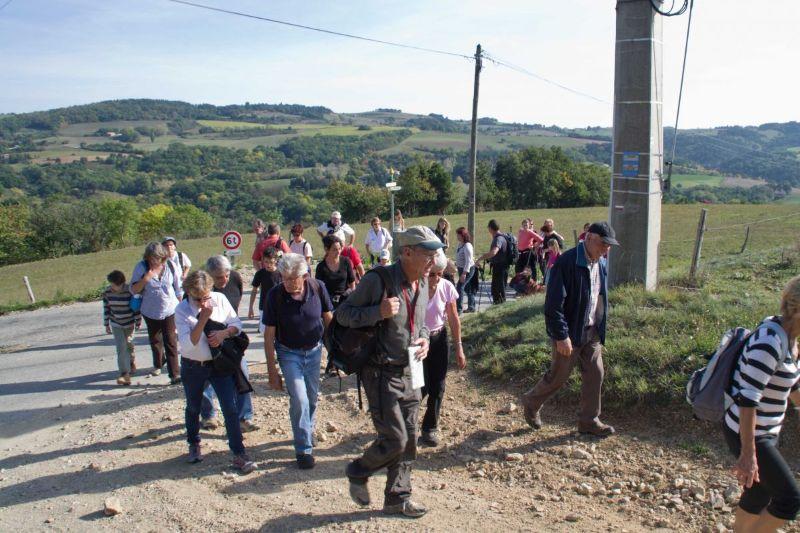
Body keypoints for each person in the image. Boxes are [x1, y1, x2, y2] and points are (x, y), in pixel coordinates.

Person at [338, 225, 439, 518]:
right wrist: (376, 312)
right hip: (381, 373)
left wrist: (424, 339)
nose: (433, 260)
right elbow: (344, 315)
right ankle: (358, 470)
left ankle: (398, 497)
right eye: (427, 254)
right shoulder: (377, 280)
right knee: (395, 438)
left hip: (412, 369)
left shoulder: (422, 282)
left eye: (435, 254)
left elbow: (421, 324)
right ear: (406, 252)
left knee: (409, 438)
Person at [520, 222, 619, 436]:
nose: (606, 249)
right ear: (590, 238)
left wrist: (600, 326)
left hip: (591, 331)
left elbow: (599, 297)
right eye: (604, 244)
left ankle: (589, 421)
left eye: (609, 246)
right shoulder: (566, 262)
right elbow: (553, 304)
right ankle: (531, 402)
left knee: (596, 373)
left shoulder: (601, 264)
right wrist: (561, 335)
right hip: (569, 333)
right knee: (558, 376)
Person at [725, 277, 800, 533]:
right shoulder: (770, 341)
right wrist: (748, 454)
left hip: (765, 430)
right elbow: (748, 399)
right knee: (789, 500)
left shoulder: (791, 339)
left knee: (759, 493)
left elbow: (793, 387)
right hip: (748, 431)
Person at [174, 270, 256, 473]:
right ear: (189, 293)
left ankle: (239, 453)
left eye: (206, 296)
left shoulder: (219, 299)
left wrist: (224, 333)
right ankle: (194, 443)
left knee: (230, 407)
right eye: (198, 298)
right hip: (194, 365)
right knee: (193, 407)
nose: (203, 302)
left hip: (220, 365)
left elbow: (236, 323)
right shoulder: (182, 310)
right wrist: (203, 318)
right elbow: (188, 344)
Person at [263, 253, 334, 470]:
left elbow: (328, 319)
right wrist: (272, 371)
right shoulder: (275, 295)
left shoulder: (318, 287)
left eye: (294, 278)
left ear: (304, 275)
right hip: (288, 353)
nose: (289, 283)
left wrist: (336, 354)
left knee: (312, 398)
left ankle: (307, 429)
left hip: (314, 351)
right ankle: (303, 449)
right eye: (285, 278)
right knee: (300, 399)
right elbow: (268, 335)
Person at [201, 255, 258, 433]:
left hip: (230, 337)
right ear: (209, 276)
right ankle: (209, 415)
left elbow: (235, 301)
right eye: (218, 277)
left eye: (226, 274)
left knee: (242, 373)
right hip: (205, 339)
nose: (224, 279)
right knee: (206, 379)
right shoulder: (200, 288)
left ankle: (244, 417)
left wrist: (227, 330)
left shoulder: (235, 278)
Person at [419, 249, 466, 447]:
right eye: (432, 274)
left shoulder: (446, 287)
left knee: (438, 386)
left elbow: (454, 318)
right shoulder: (415, 288)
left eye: (440, 274)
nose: (436, 278)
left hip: (438, 338)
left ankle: (430, 427)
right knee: (420, 387)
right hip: (417, 342)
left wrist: (459, 347)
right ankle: (401, 422)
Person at [131, 242, 183, 384]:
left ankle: (175, 374)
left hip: (170, 308)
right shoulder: (141, 267)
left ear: (163, 257)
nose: (154, 261)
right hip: (150, 310)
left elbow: (178, 288)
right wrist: (146, 278)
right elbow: (134, 289)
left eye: (158, 258)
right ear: (147, 257)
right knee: (155, 340)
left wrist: (182, 306)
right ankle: (159, 363)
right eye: (151, 258)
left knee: (171, 340)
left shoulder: (171, 266)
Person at [103, 270, 141, 386]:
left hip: (129, 323)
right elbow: (106, 308)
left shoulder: (129, 291)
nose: (112, 286)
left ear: (121, 284)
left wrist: (138, 321)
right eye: (111, 284)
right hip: (116, 324)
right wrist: (106, 323)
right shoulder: (107, 293)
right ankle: (124, 374)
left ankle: (131, 361)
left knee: (129, 345)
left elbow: (135, 307)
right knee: (121, 347)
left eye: (114, 284)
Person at [315, 234, 355, 308]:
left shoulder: (346, 261)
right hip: (328, 302)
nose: (338, 252)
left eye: (339, 248)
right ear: (326, 249)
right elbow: (318, 289)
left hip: (346, 301)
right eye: (334, 249)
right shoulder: (321, 267)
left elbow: (352, 284)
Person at [476, 219, 509, 305]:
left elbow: (494, 252)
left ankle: (500, 306)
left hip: (500, 267)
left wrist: (481, 257)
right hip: (501, 266)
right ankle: (498, 305)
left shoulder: (498, 239)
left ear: (490, 228)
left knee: (499, 288)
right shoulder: (501, 237)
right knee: (497, 288)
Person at [248, 247, 282, 331]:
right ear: (262, 260)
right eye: (266, 262)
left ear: (276, 260)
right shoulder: (260, 274)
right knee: (265, 332)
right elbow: (254, 291)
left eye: (271, 262)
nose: (268, 264)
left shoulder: (281, 273)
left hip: (279, 306)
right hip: (264, 307)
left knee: (279, 332)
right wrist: (250, 308)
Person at [454, 227, 477, 313]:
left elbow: (468, 261)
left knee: (459, 288)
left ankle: (458, 309)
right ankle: (471, 307)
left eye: (458, 235)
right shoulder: (460, 244)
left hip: (467, 270)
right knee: (468, 288)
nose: (457, 236)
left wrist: (464, 274)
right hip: (461, 269)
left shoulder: (467, 246)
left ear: (463, 235)